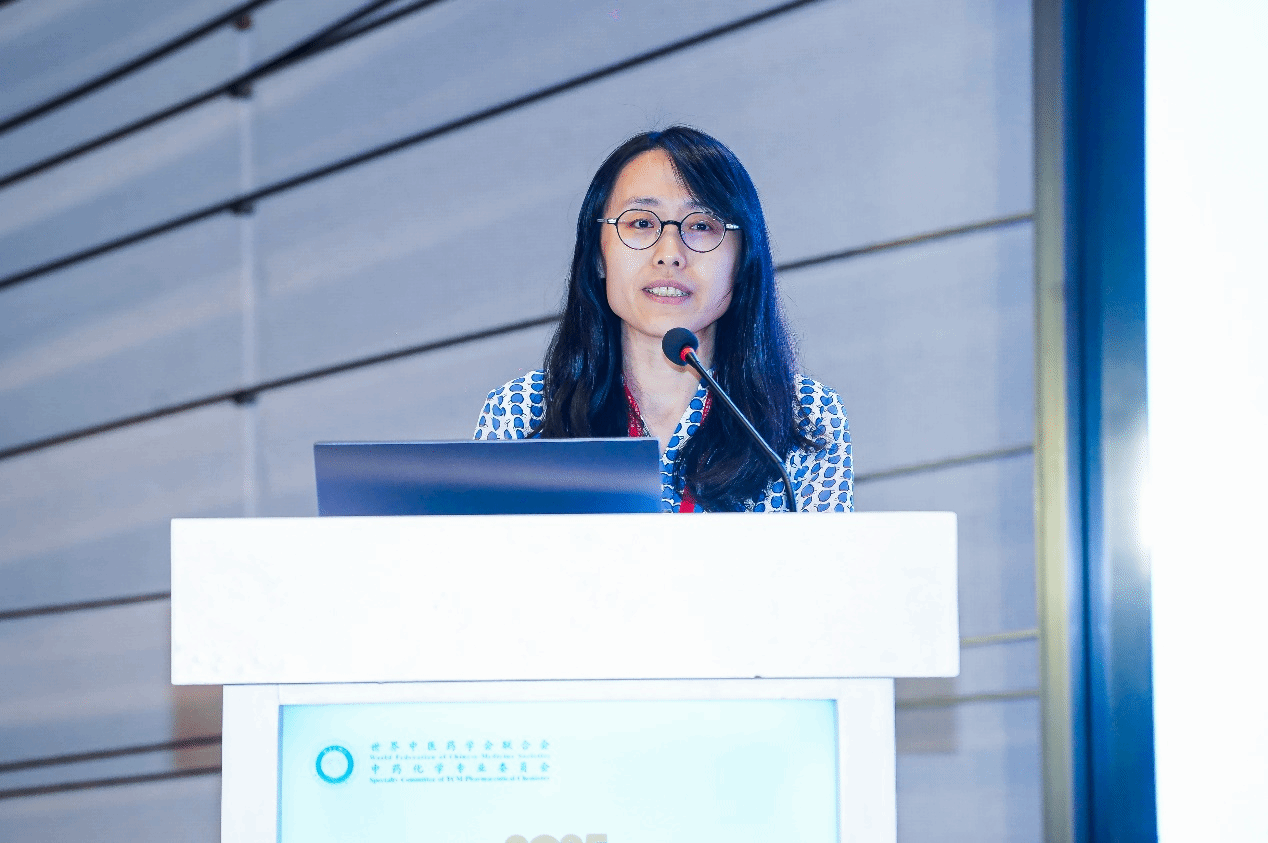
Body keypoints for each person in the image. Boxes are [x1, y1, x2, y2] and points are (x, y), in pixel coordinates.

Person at [473, 126, 851, 513]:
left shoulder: (806, 416)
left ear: (743, 259)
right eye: (641, 223)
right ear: (598, 254)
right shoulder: (524, 411)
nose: (669, 253)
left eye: (701, 226)